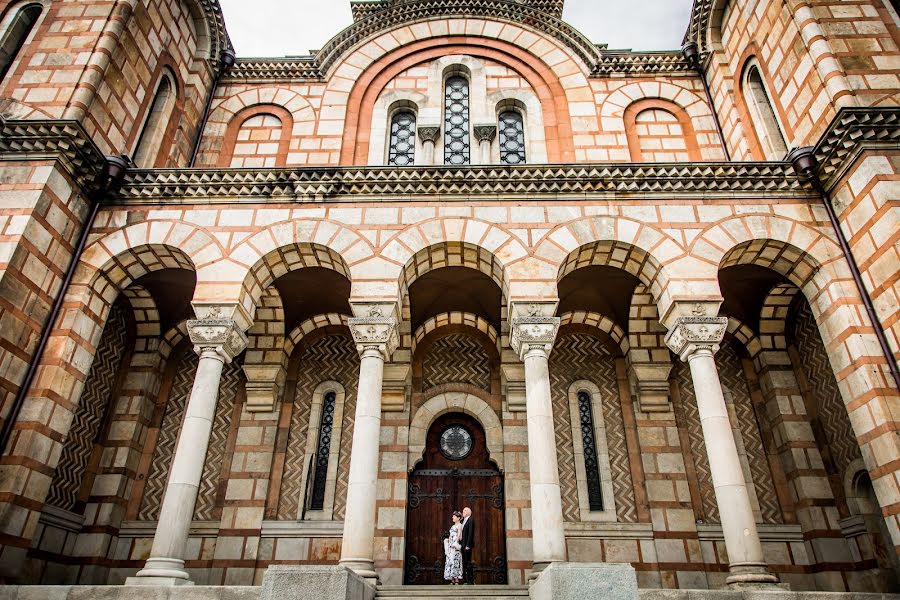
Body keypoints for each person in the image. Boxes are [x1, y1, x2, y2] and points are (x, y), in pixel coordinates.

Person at [443, 511, 464, 584]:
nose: (452, 517)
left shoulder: (459, 525)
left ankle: (456, 578)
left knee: (455, 560)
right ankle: (451, 578)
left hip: (455, 545)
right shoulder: (452, 526)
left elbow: (459, 535)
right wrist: (448, 542)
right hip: (450, 545)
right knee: (450, 560)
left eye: (454, 516)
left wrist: (456, 542)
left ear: (458, 518)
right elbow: (450, 535)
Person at [460, 506, 475, 584]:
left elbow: (470, 533)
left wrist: (468, 545)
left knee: (468, 562)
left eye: (465, 510)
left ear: (469, 512)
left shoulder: (470, 520)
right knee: (465, 562)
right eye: (463, 510)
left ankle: (470, 580)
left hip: (467, 545)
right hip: (463, 545)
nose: (463, 512)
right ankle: (466, 580)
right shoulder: (464, 521)